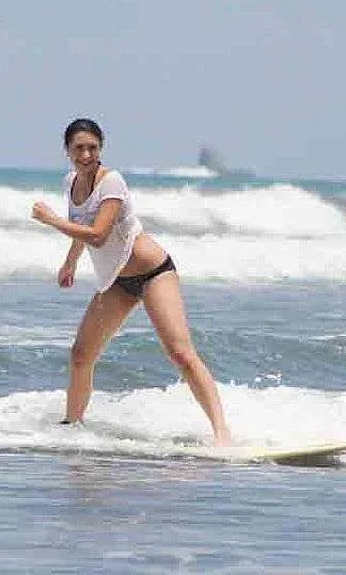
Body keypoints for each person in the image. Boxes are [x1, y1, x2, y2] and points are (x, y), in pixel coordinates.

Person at [31, 118, 232, 446]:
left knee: (180, 353)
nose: (86, 154)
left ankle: (222, 433)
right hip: (117, 281)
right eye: (79, 148)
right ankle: (72, 426)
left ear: (101, 149)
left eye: (92, 148)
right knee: (81, 355)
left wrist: (51, 220)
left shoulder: (112, 183)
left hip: (154, 273)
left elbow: (97, 234)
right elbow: (82, 224)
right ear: (67, 151)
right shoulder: (71, 182)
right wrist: (70, 262)